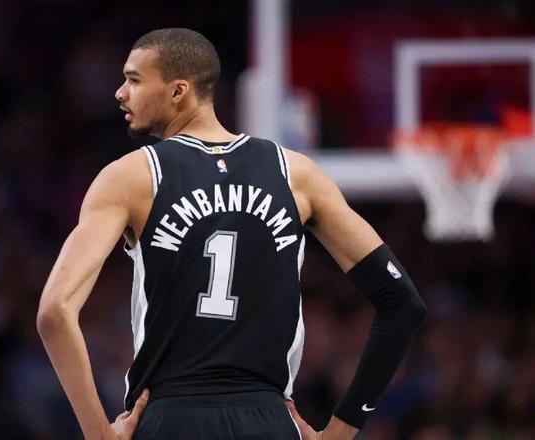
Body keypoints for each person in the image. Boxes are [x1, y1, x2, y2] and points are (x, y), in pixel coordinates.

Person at [37, 28, 427, 440]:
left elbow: (54, 311)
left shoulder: (130, 177)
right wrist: (340, 431)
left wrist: (98, 434)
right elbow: (403, 304)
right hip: (268, 420)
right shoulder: (296, 175)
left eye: (134, 80)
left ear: (178, 91)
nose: (120, 93)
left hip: (170, 419)